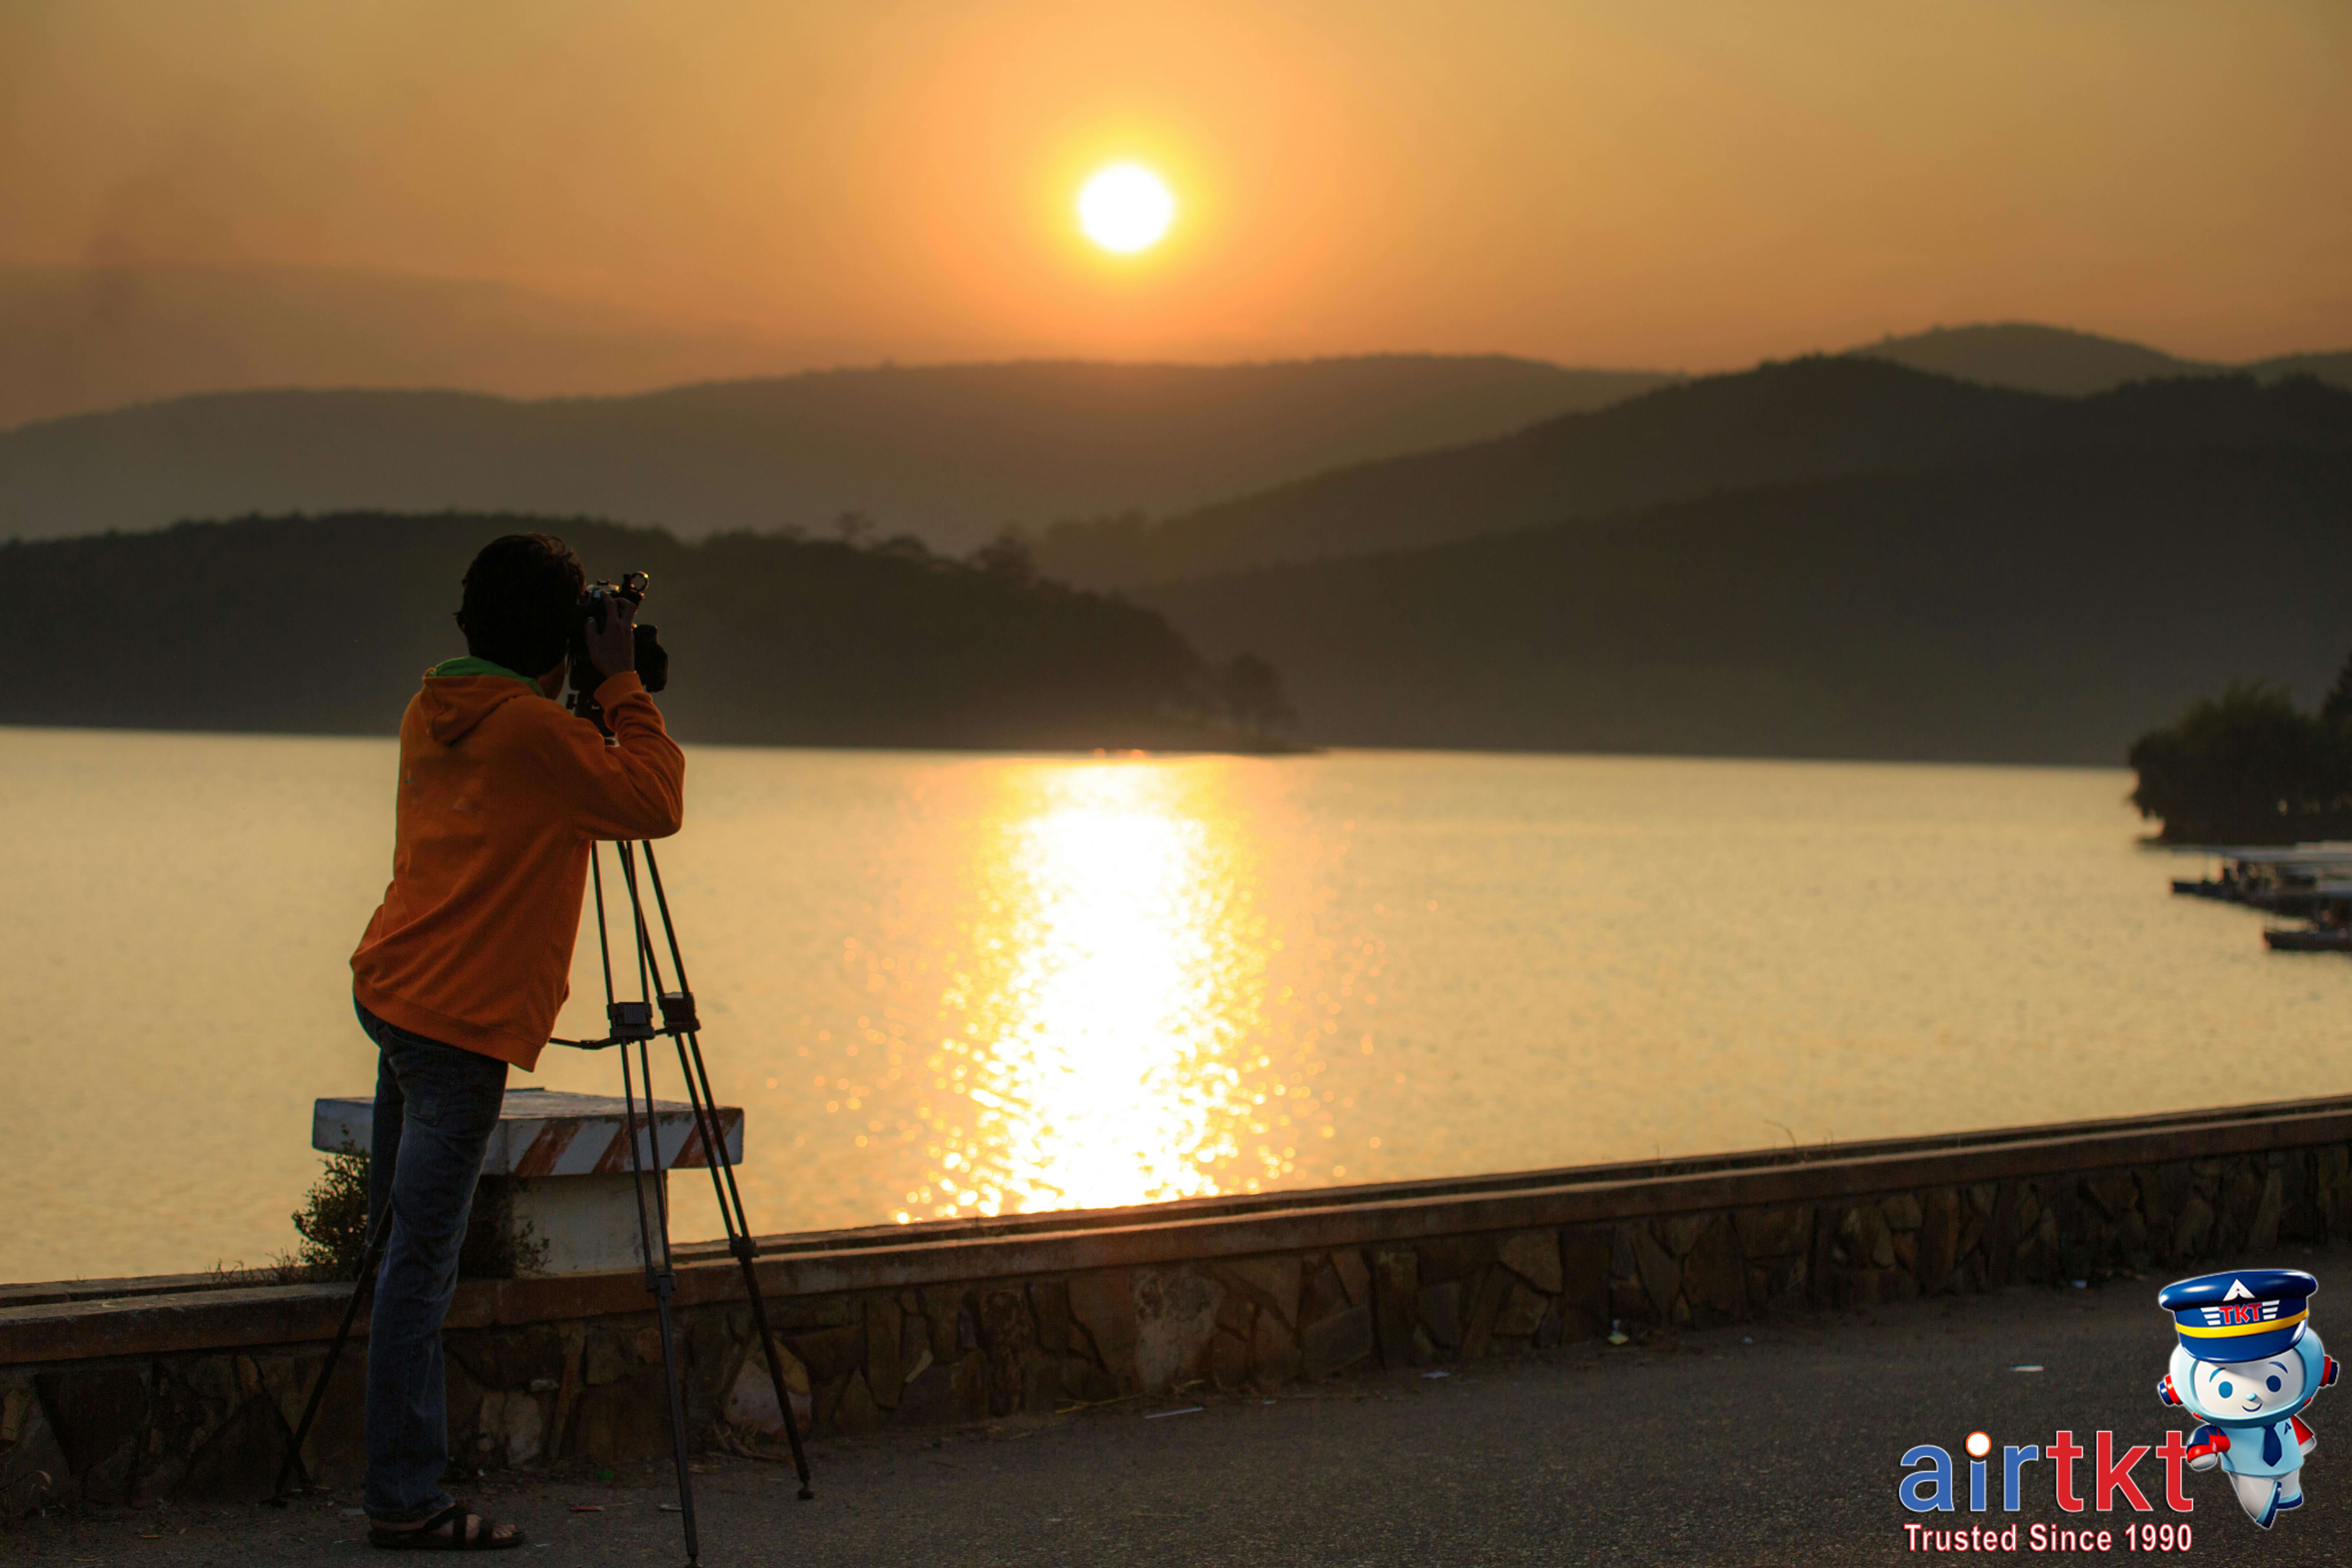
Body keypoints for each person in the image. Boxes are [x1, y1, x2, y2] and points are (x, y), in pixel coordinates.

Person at [348, 534, 684, 1549]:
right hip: (457, 1023)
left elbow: (551, 769)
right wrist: (621, 686)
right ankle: (406, 1500)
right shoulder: (537, 734)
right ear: (554, 639)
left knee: (395, 1247)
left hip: (395, 990)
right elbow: (654, 801)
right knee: (423, 1264)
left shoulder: (434, 708)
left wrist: (588, 692)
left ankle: (392, 1475)